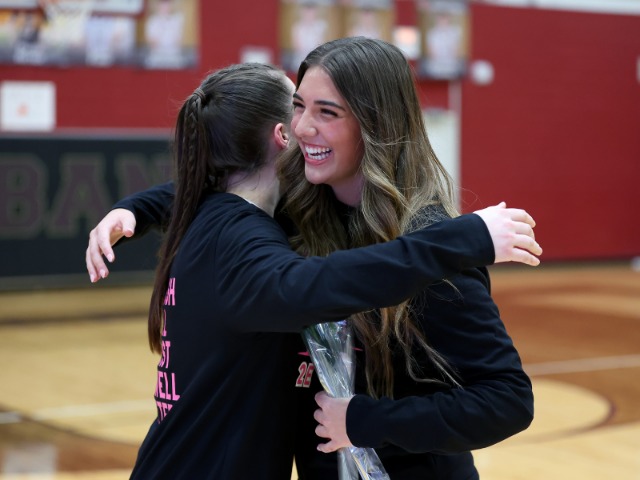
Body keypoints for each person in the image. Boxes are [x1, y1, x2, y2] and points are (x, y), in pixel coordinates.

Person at [85, 50, 541, 480]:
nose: (301, 127)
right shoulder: (299, 210)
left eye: (327, 112)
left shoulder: (430, 242)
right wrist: (136, 208)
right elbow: (223, 191)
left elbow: (507, 401)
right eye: (298, 107)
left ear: (375, 124)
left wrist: (367, 421)